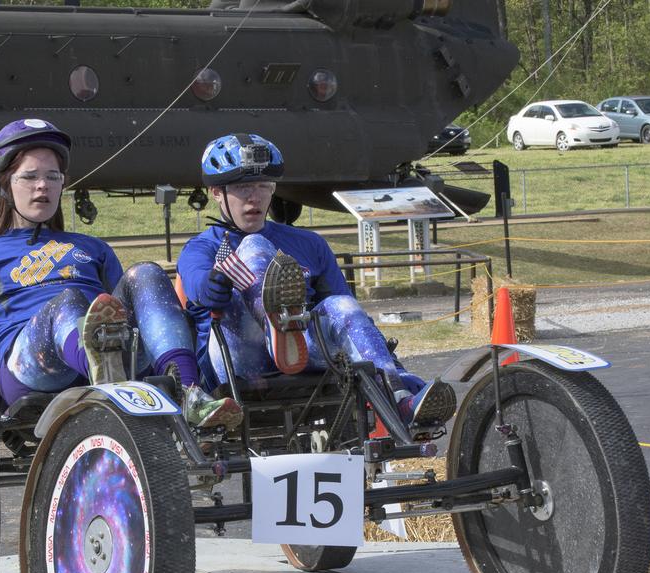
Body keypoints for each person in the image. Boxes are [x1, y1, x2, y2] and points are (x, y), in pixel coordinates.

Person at [0, 118, 241, 437]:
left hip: (110, 343)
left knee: (146, 272)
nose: (42, 185)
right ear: (5, 185)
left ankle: (190, 394)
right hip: (32, 365)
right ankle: (104, 376)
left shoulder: (94, 248)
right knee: (69, 301)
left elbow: (121, 307)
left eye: (52, 176)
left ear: (62, 183)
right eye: (29, 177)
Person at [175, 132, 456, 436]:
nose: (255, 197)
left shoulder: (308, 243)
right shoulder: (200, 248)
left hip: (303, 354)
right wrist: (215, 283)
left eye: (264, 186)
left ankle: (401, 398)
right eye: (243, 188)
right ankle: (275, 330)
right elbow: (198, 288)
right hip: (237, 359)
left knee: (341, 305)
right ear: (217, 192)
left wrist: (397, 372)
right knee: (255, 246)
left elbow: (350, 319)